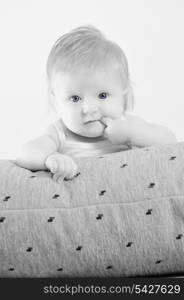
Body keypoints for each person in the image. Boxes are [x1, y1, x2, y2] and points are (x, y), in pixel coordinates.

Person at [16, 25, 177, 181]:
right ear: (56, 102)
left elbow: (170, 143)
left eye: (102, 95)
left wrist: (131, 133)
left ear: (123, 95)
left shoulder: (129, 125)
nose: (89, 109)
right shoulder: (60, 134)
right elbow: (25, 154)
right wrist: (50, 158)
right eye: (75, 98)